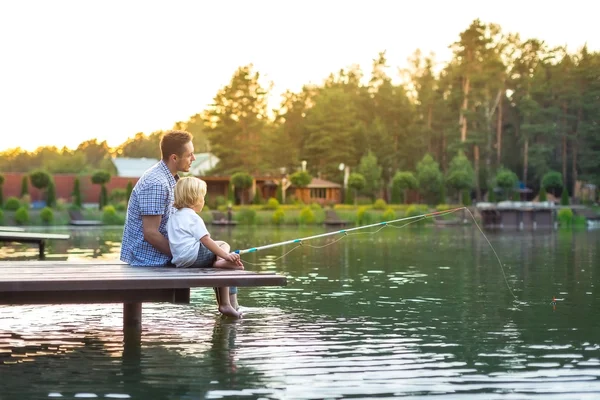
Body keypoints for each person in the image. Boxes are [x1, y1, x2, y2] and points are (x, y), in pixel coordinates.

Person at [167, 176, 244, 318]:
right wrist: (226, 255)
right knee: (223, 245)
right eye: (203, 197)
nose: (204, 200)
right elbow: (206, 240)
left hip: (181, 261)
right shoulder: (193, 217)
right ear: (194, 199)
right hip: (194, 256)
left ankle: (221, 265)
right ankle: (228, 304)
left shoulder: (173, 217)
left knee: (224, 263)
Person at [120, 130, 195, 267]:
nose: (193, 158)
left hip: (164, 257)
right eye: (189, 155)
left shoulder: (170, 179)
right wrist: (181, 255)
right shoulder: (156, 183)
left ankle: (230, 287)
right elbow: (150, 233)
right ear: (174, 158)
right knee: (219, 259)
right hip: (151, 261)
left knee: (220, 255)